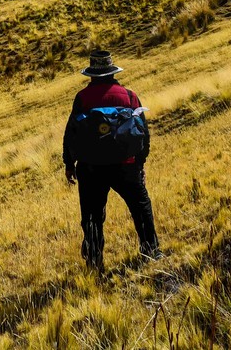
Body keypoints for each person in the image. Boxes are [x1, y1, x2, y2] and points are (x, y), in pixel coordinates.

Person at [63, 50, 160, 271]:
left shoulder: (82, 98)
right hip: (126, 165)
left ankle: (95, 263)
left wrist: (69, 164)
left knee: (92, 216)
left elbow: (71, 134)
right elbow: (142, 132)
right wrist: (140, 163)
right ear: (112, 71)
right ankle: (151, 251)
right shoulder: (128, 96)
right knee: (140, 206)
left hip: (91, 168)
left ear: (92, 75)